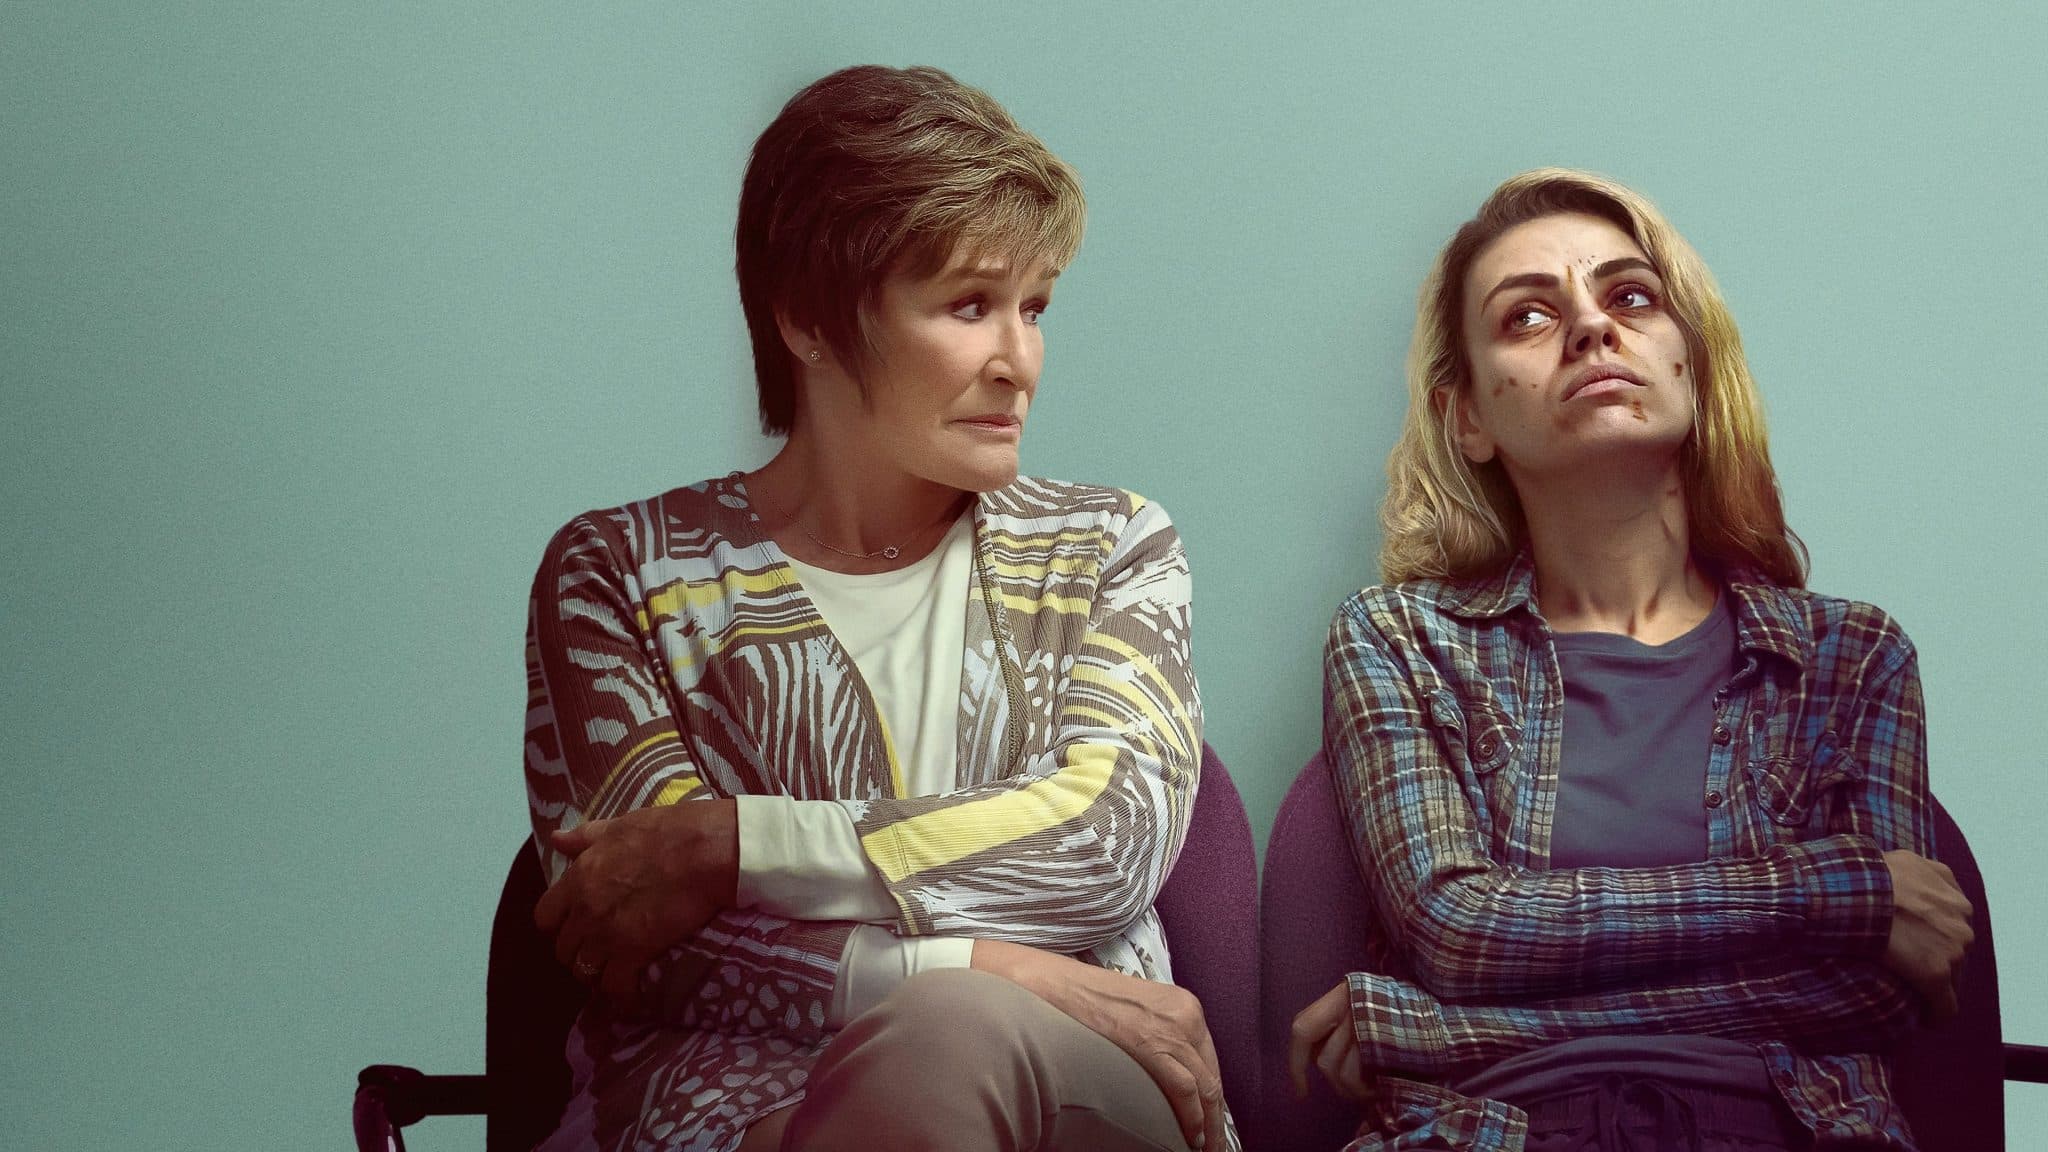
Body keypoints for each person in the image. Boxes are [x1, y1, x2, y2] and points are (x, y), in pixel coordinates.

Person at [521, 65, 1229, 1152]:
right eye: (969, 305)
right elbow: (641, 937)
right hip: (722, 1102)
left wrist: (738, 846)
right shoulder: (618, 574)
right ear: (808, 318)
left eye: (1034, 308)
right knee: (944, 1026)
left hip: (1077, 1085)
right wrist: (974, 967)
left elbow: (1103, 840)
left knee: (951, 1040)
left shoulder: (1108, 546)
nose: (1019, 362)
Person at [1289, 169, 1974, 1151]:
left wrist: (1433, 1028)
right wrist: (1836, 890)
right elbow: (1458, 931)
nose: (1589, 326)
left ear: (1690, 365)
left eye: (1631, 297)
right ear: (1467, 417)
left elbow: (1881, 994)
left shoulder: (1850, 659)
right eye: (1527, 316)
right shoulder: (1402, 640)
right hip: (1485, 1132)